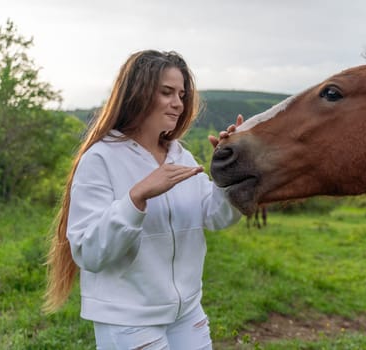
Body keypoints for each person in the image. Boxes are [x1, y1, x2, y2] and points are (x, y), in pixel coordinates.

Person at [44, 49, 242, 350]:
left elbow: (215, 215)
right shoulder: (100, 159)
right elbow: (87, 251)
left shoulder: (180, 155)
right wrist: (136, 198)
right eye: (167, 92)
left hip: (187, 312)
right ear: (138, 92)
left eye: (181, 94)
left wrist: (235, 170)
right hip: (128, 320)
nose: (178, 103)